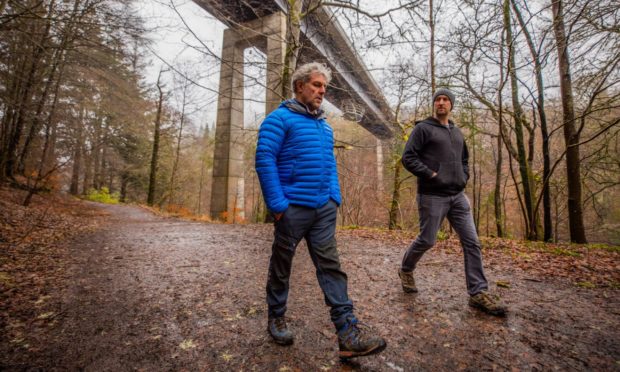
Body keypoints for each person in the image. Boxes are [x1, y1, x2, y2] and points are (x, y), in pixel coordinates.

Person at [255, 62, 386, 359]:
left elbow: (329, 167)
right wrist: (278, 206)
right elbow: (264, 160)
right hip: (292, 209)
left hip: (323, 209)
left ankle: (347, 333)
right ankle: (276, 317)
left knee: (331, 267)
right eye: (316, 85)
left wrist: (334, 198)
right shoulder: (279, 120)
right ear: (300, 86)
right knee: (282, 265)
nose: (321, 91)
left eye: (324, 87)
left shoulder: (324, 126)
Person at [398, 88, 507, 316]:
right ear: (434, 104)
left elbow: (464, 159)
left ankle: (478, 292)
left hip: (457, 196)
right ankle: (406, 269)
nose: (441, 102)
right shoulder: (423, 128)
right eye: (437, 99)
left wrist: (464, 176)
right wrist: (431, 174)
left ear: (451, 105)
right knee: (427, 240)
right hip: (432, 195)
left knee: (472, 242)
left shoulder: (456, 132)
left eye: (445, 100)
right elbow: (408, 157)